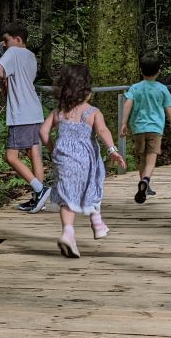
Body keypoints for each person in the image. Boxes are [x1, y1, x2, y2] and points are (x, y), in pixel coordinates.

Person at [40, 65, 126, 258]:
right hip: (85, 159)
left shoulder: (58, 112)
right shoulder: (93, 112)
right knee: (93, 185)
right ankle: (97, 224)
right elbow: (103, 131)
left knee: (67, 198)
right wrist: (112, 150)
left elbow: (43, 132)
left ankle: (68, 233)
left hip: (63, 158)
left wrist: (54, 150)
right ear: (86, 91)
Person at [0, 23, 50, 213]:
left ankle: (41, 190)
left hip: (21, 113)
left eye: (6, 40)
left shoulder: (14, 52)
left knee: (10, 156)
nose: (4, 44)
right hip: (34, 110)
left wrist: (3, 74)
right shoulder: (31, 56)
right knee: (34, 154)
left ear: (17, 40)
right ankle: (38, 199)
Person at [119, 55, 171, 204]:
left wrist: (124, 123)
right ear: (158, 71)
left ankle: (144, 185)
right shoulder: (161, 88)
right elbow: (168, 108)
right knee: (151, 159)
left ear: (141, 71)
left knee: (142, 158)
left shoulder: (135, 88)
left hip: (138, 127)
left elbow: (127, 105)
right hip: (155, 128)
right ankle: (146, 180)